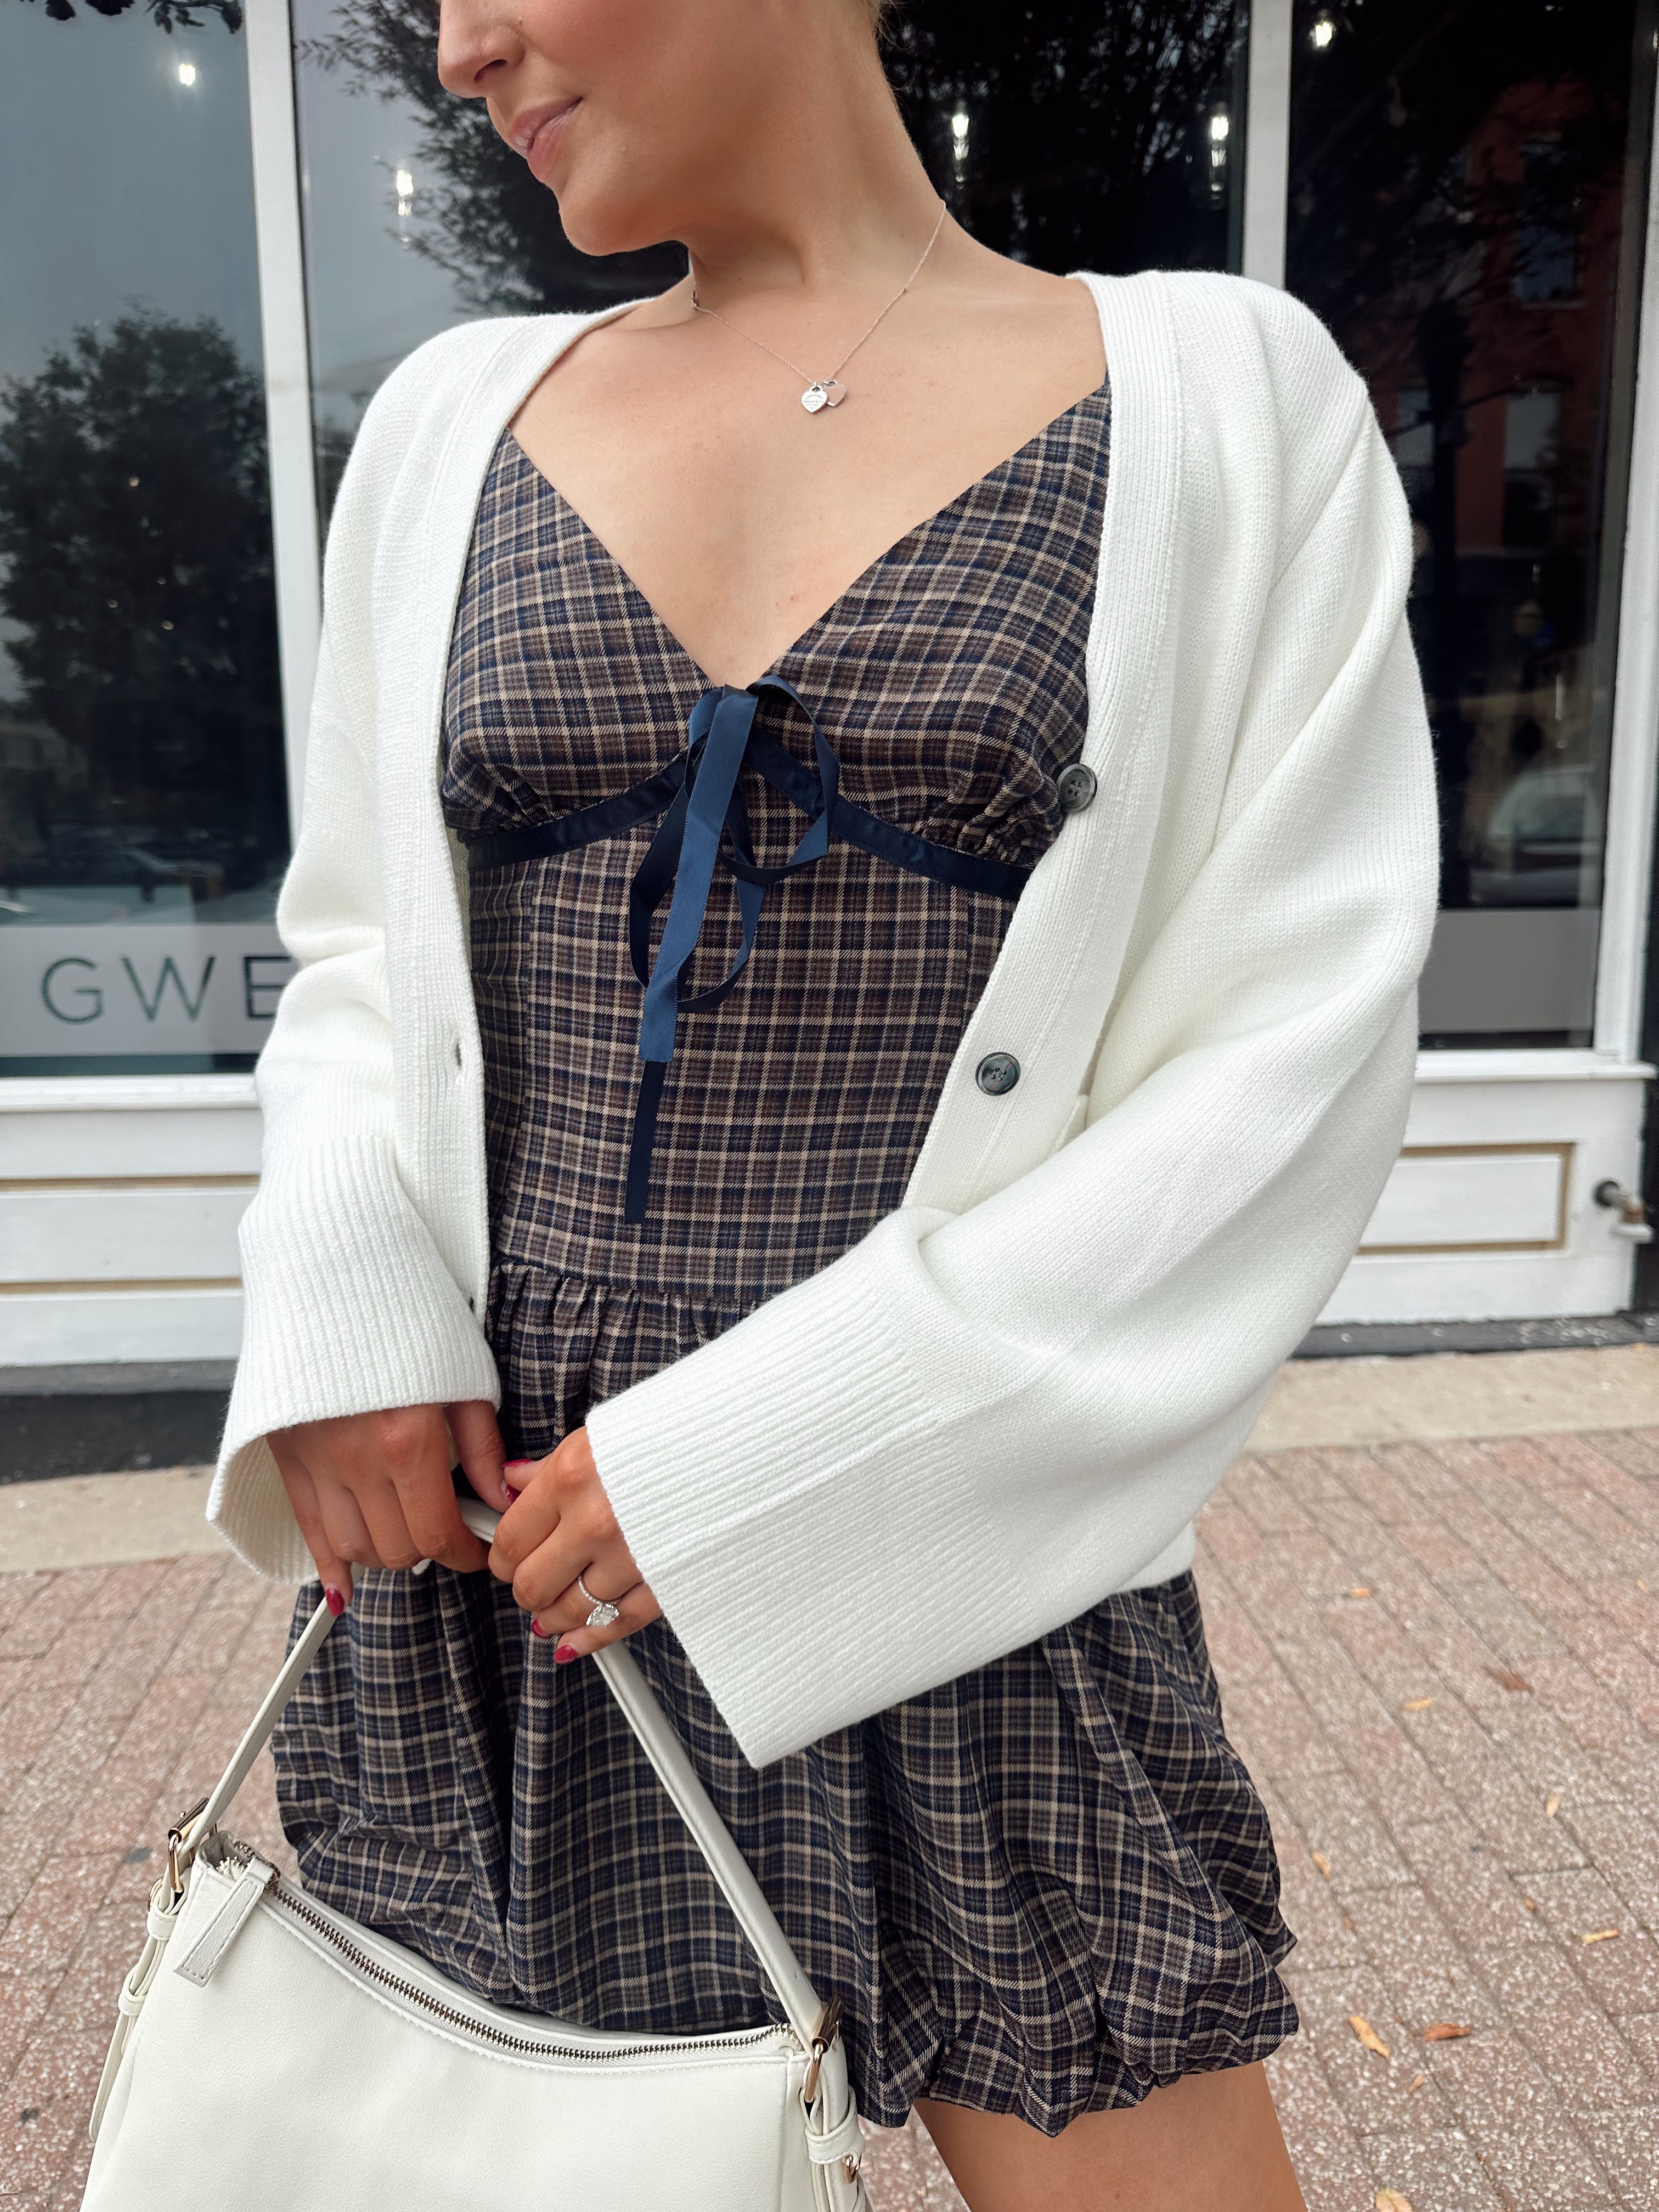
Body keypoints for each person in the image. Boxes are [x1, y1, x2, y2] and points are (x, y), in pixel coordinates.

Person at [206, 1, 1439, 2204]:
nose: (466, 51)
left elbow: (1289, 1054)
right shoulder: (445, 427)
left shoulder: (1229, 402)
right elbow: (366, 960)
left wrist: (762, 1468)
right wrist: (341, 1313)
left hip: (964, 1525)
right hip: (517, 1567)